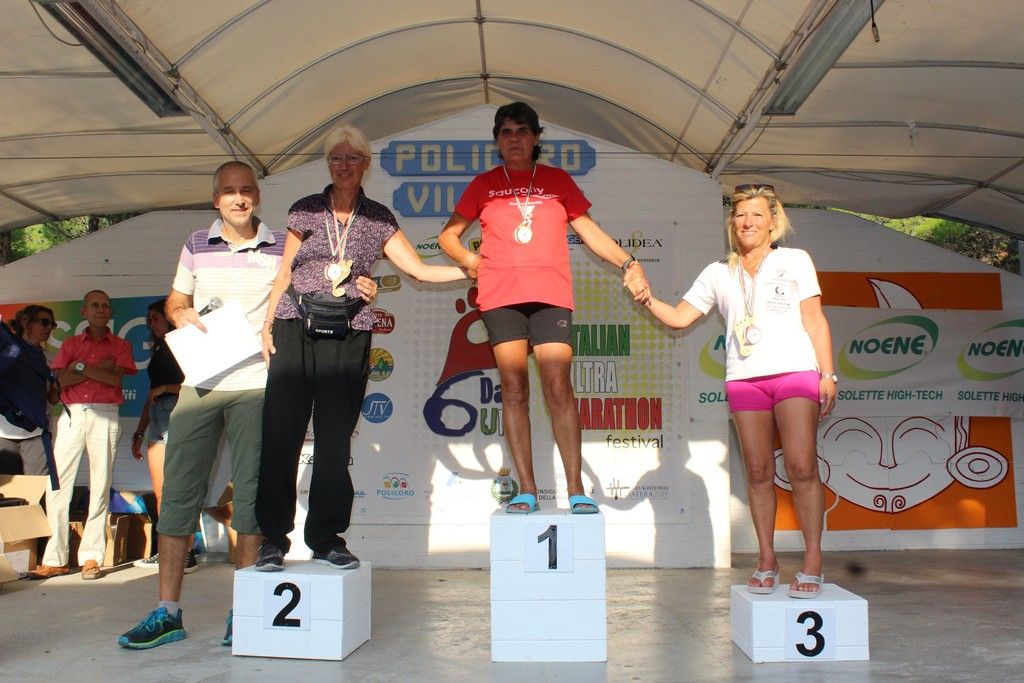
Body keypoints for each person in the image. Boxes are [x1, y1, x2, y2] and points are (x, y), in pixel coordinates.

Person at [254, 124, 467, 572]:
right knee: (281, 434)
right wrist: (268, 323)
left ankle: (327, 539)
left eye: (352, 158)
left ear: (366, 164)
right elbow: (284, 272)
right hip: (295, 323)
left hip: (349, 329)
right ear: (328, 163)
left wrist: (473, 271)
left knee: (334, 439)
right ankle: (272, 539)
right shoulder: (305, 209)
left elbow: (419, 270)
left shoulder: (379, 218)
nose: (344, 165)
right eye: (336, 157)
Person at [438, 101, 650, 515]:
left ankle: (576, 490)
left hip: (550, 296)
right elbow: (448, 237)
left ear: (536, 137)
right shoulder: (484, 185)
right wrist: (471, 262)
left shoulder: (557, 181)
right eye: (505, 132)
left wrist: (629, 263)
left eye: (522, 131)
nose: (514, 139)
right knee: (514, 389)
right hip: (501, 298)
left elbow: (590, 233)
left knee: (558, 387)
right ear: (497, 141)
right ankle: (527, 490)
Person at [641, 183, 836, 598]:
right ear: (732, 223)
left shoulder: (795, 260)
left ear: (773, 222)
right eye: (741, 214)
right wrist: (645, 298)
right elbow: (679, 317)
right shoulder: (718, 272)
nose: (748, 222)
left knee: (802, 466)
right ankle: (767, 560)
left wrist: (828, 374)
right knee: (759, 472)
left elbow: (815, 319)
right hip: (744, 380)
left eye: (757, 214)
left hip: (796, 373)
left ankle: (813, 560)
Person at [118, 161, 283, 649]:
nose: (238, 198)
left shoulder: (280, 245)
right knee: (177, 493)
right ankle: (167, 612)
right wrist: (180, 313)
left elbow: (299, 301)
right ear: (216, 199)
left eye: (246, 189)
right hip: (201, 382)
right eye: (229, 191)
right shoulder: (196, 243)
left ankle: (244, 612)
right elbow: (174, 301)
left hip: (257, 384)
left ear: (257, 196)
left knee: (249, 498)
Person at [30, 291, 137, 581]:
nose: (100, 310)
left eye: (105, 306)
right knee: (58, 485)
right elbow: (61, 380)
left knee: (100, 484)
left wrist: (78, 368)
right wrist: (92, 369)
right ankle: (55, 558)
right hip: (71, 413)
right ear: (84, 312)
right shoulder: (71, 344)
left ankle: (91, 556)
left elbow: (114, 379)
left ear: (110, 312)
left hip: (105, 412)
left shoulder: (121, 345)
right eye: (95, 305)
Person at [129, 298, 198, 573]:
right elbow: (151, 394)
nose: (151, 324)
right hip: (158, 417)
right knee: (161, 490)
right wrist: (138, 431)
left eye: (155, 319)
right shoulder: (159, 348)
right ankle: (166, 551)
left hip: (179, 412)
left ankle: (187, 552)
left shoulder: (185, 344)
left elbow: (198, 384)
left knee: (179, 489)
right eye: (149, 321)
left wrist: (167, 388)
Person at [0, 305, 58, 476]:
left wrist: (60, 387)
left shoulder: (51, 358)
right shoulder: (5, 351)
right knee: (6, 487)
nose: (49, 328)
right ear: (26, 322)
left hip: (37, 432)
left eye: (52, 324)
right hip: (3, 430)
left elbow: (52, 399)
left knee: (36, 486)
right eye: (44, 322)